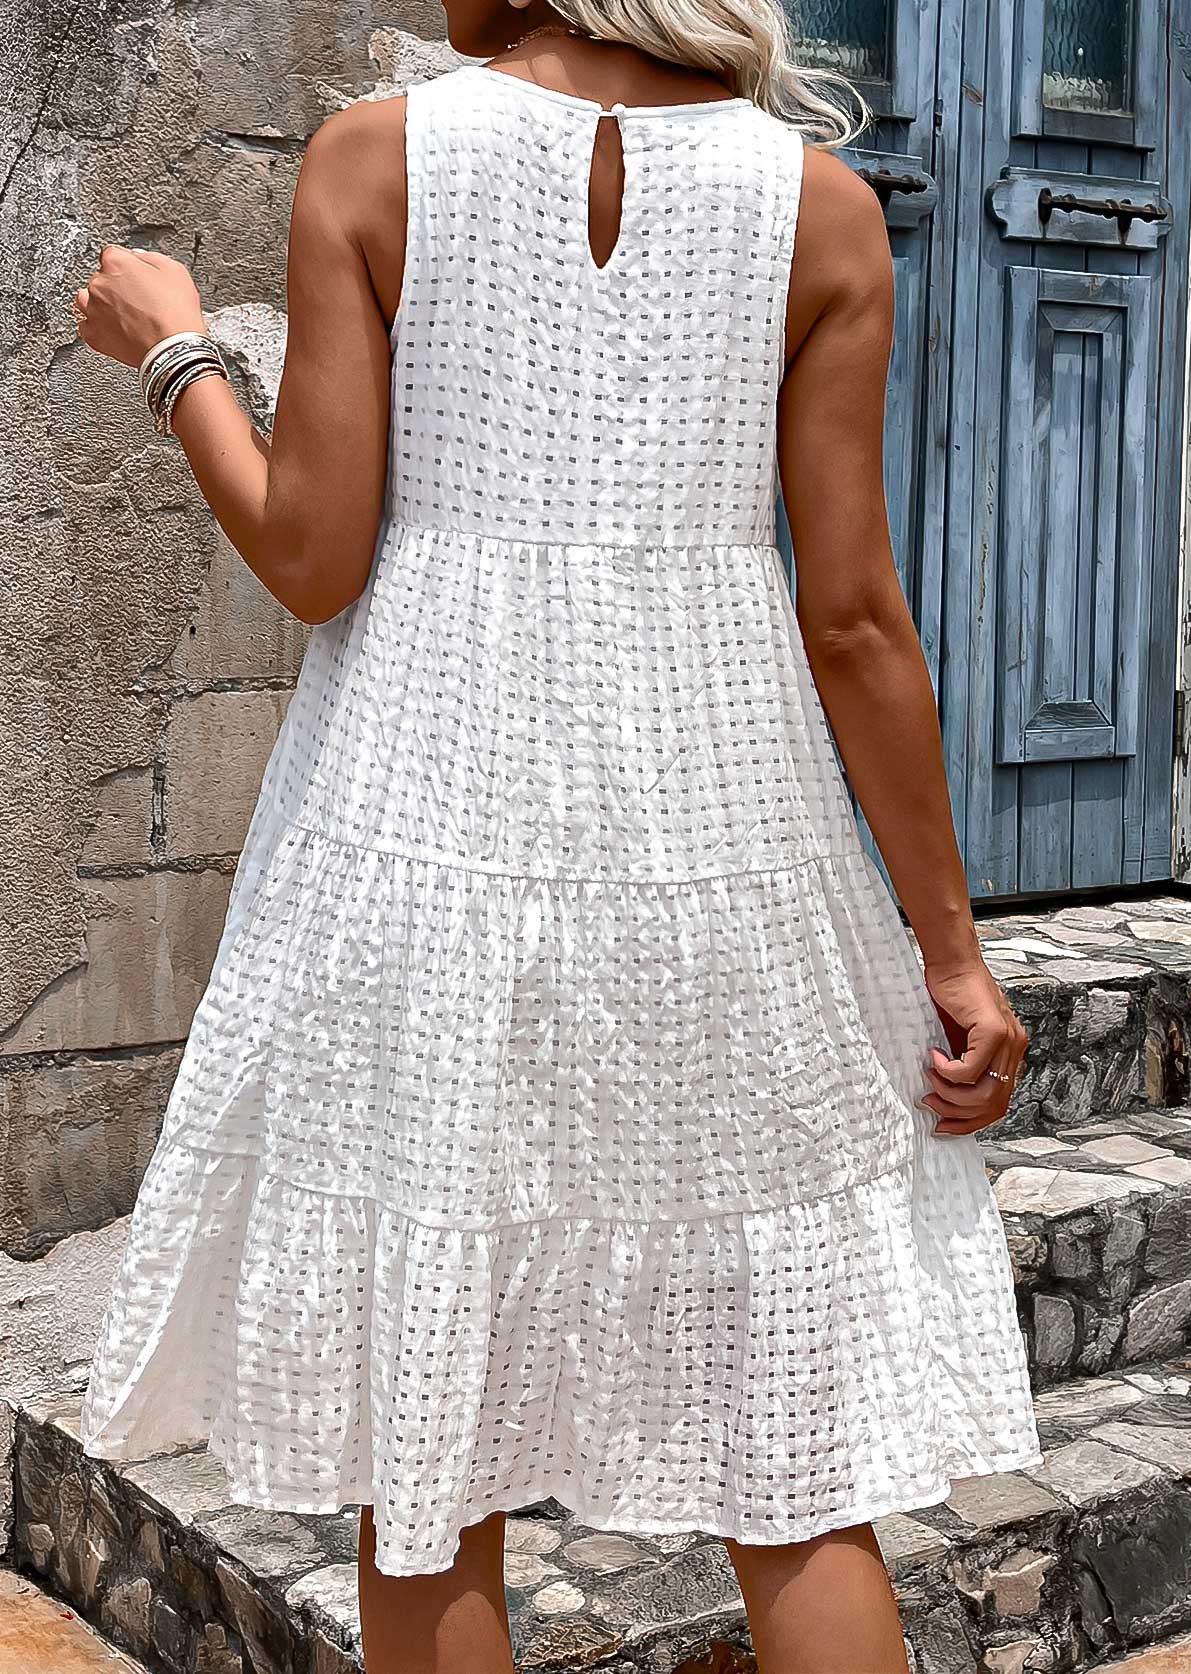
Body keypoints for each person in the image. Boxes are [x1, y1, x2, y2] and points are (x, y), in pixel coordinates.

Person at [70, 0, 1041, 1667]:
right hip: (724, 851)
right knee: (795, 1457)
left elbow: (312, 552)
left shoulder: (374, 161)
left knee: (431, 1460)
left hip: (426, 840)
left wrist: (176, 352)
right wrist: (950, 950)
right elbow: (857, 619)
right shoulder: (819, 208)